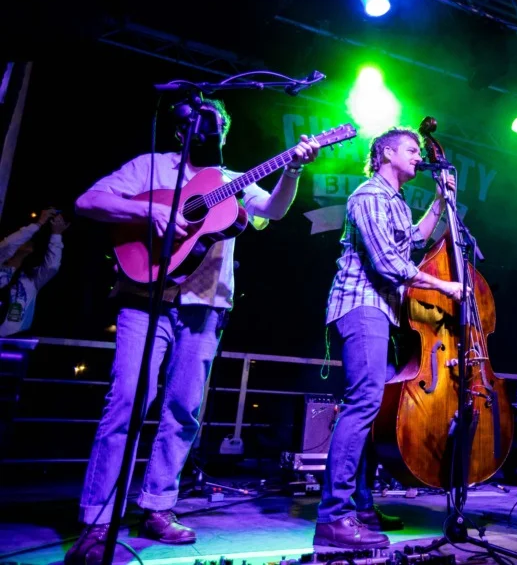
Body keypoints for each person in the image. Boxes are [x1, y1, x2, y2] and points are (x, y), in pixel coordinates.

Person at [66, 98, 320, 565]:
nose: (209, 130)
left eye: (218, 122)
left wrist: (293, 170)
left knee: (183, 410)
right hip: (145, 297)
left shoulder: (228, 182)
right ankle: (98, 518)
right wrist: (149, 215)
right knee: (127, 399)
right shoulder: (150, 167)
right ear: (179, 129)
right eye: (197, 122)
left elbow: (274, 211)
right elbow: (87, 201)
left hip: (206, 305)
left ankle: (158, 507)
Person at [314, 127, 464, 550]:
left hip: (380, 311)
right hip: (362, 306)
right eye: (411, 150)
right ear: (385, 153)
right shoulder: (368, 195)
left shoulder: (394, 202)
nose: (419, 156)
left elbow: (413, 241)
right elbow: (386, 262)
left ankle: (360, 507)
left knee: (368, 408)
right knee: (363, 403)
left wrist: (440, 202)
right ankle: (333, 517)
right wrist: (448, 289)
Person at [0, 207, 69, 336]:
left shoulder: (31, 278)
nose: (28, 240)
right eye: (24, 239)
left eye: (31, 239)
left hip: (13, 344)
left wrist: (56, 234)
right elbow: (7, 245)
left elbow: (52, 266)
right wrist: (39, 223)